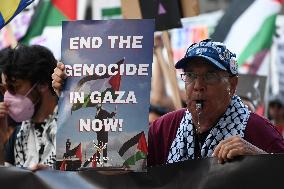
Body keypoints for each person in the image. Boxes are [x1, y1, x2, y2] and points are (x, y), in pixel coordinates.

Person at [147, 39, 284, 166]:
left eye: (210, 76)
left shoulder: (257, 129)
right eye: (190, 75)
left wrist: (260, 159)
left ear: (232, 84)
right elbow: (129, 168)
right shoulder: (165, 127)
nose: (198, 85)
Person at [0, 45, 58, 169]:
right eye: (4, 89)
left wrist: (55, 177)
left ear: (42, 84)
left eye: (14, 87)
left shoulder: (74, 127)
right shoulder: (18, 134)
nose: (7, 97)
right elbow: (6, 180)